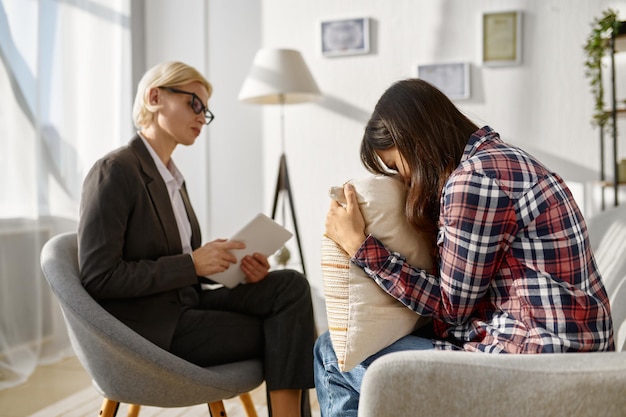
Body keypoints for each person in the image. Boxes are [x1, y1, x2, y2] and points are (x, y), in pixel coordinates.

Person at [315, 78, 614, 416]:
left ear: (417, 144)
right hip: (568, 352)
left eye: (399, 167)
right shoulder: (502, 159)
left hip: (535, 365)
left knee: (330, 354)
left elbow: (449, 309)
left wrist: (361, 248)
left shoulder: (473, 182)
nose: (407, 180)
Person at [78, 61, 315, 417]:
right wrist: (191, 264)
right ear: (155, 97)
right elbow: (99, 277)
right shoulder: (115, 172)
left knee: (290, 286)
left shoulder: (173, 180)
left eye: (206, 110)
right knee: (284, 328)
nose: (202, 117)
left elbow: (180, 262)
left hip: (188, 307)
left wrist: (223, 263)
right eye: (194, 104)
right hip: (153, 330)